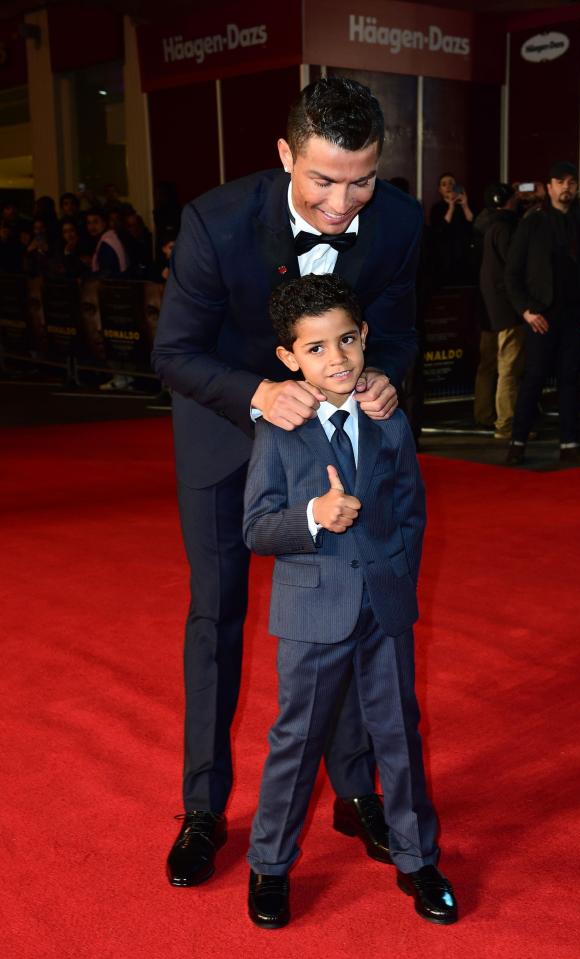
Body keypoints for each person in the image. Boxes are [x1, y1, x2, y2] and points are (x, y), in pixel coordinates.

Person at [152, 77, 423, 888]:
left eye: (364, 178)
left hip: (337, 444)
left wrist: (384, 379)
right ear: (284, 156)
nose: (346, 201)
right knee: (218, 614)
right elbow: (174, 353)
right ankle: (205, 806)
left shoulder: (401, 223)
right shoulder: (217, 219)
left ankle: (353, 792)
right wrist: (260, 395)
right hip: (227, 439)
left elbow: (399, 333)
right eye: (325, 179)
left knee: (345, 610)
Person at [243, 273, 457, 929]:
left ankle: (418, 858)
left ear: (363, 337)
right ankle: (270, 864)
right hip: (313, 611)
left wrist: (396, 578)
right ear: (288, 358)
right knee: (296, 741)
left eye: (346, 341)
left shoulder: (388, 418)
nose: (336, 360)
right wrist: (314, 514)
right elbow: (256, 527)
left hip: (384, 607)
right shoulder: (281, 431)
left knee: (399, 733)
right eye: (315, 349)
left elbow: (411, 512)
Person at [504, 161, 580, 465]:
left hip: (578, 316)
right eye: (560, 182)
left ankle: (570, 443)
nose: (567, 187)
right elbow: (512, 273)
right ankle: (517, 441)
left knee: (570, 379)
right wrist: (525, 311)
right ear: (548, 187)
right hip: (540, 316)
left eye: (571, 182)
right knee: (533, 378)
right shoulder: (531, 223)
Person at [477, 183, 525, 440]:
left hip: (487, 308)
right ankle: (506, 424)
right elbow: (513, 268)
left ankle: (484, 414)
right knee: (509, 368)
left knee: (487, 365)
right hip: (506, 309)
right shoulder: (507, 227)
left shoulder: (483, 225)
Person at [429, 172, 475, 286]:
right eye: (444, 184)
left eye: (451, 183)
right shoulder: (436, 208)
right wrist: (451, 208)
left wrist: (464, 205)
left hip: (463, 253)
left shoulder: (464, 205)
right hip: (444, 255)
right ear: (440, 190)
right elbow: (439, 229)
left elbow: (472, 223)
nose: (448, 186)